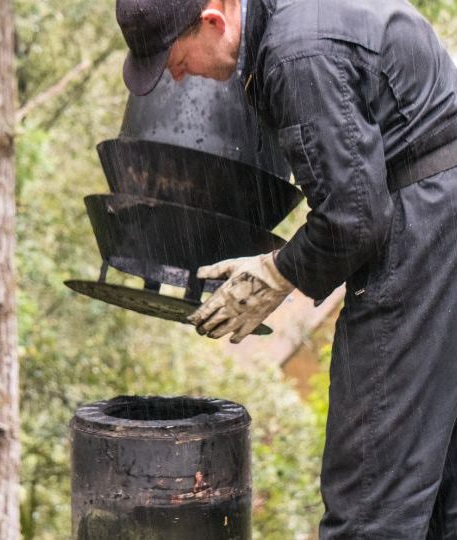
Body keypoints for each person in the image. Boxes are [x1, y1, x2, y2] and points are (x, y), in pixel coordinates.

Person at [115, 0, 457, 537]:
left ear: (213, 21)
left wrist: (279, 272)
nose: (178, 80)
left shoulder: (298, 52)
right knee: (439, 492)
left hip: (427, 225)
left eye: (177, 62)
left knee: (371, 492)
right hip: (437, 210)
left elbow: (353, 216)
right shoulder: (290, 22)